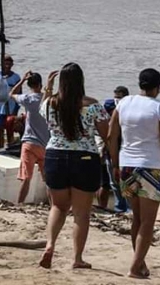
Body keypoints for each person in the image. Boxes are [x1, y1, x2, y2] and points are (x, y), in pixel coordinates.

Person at [38, 63, 109, 270]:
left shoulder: (50, 104)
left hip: (55, 156)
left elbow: (43, 111)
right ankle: (77, 258)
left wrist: (48, 89)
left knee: (57, 206)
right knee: (81, 213)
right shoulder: (93, 105)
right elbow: (106, 134)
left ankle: (50, 245)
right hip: (85, 158)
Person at [109, 68, 160, 279]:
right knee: (148, 221)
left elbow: (112, 135)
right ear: (158, 87)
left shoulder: (124, 103)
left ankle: (140, 264)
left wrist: (115, 162)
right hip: (151, 167)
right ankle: (134, 267)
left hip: (127, 165)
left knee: (136, 219)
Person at [9, 71, 49, 204]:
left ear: (29, 85)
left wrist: (21, 80)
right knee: (48, 180)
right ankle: (54, 206)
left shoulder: (27, 99)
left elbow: (11, 94)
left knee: (26, 179)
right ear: (40, 85)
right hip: (45, 145)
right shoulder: (47, 100)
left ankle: (19, 204)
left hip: (30, 144)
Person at [98, 85, 130, 212]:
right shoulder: (110, 107)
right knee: (113, 182)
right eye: (116, 98)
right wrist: (104, 149)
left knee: (123, 181)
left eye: (120, 98)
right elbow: (108, 134)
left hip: (124, 149)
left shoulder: (129, 109)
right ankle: (120, 207)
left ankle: (126, 207)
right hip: (112, 150)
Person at [0, 54, 21, 148]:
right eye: (5, 64)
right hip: (0, 108)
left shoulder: (16, 77)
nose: (7, 66)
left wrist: (15, 110)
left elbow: (19, 95)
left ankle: (10, 147)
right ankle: (0, 147)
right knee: (0, 129)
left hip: (11, 107)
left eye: (9, 64)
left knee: (10, 130)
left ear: (12, 64)